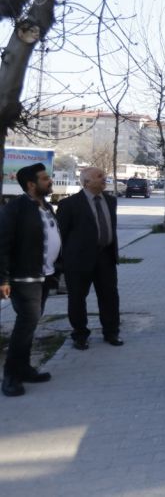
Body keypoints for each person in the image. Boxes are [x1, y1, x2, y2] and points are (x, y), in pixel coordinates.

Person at [0, 164, 60, 397]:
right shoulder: (16, 207)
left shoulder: (46, 206)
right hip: (24, 278)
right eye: (45, 178)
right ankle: (10, 376)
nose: (50, 181)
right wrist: (3, 279)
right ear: (31, 184)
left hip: (44, 276)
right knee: (26, 324)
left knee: (31, 323)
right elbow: (3, 244)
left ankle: (24, 369)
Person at [56, 166, 122, 349]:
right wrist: (62, 262)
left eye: (104, 175)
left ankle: (111, 332)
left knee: (109, 296)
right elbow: (61, 235)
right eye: (99, 176)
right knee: (77, 298)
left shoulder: (110, 201)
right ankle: (80, 335)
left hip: (106, 257)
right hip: (78, 260)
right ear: (86, 182)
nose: (104, 178)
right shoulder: (69, 204)